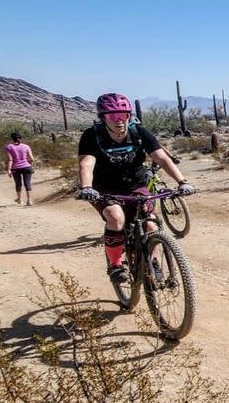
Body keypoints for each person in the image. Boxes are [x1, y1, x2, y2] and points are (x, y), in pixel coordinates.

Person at [76, 93, 195, 284]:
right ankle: (115, 264)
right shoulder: (92, 136)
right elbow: (86, 164)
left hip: (136, 185)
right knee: (116, 218)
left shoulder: (139, 132)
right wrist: (87, 187)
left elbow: (161, 158)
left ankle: (153, 261)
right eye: (112, 116)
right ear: (103, 117)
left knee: (150, 224)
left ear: (129, 116)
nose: (119, 121)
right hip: (105, 188)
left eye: (123, 115)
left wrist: (182, 181)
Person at [5, 133, 34, 205]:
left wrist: (9, 169)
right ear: (21, 138)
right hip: (27, 167)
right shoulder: (26, 146)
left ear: (12, 139)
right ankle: (29, 200)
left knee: (18, 183)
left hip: (15, 168)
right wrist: (30, 164)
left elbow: (10, 159)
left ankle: (19, 199)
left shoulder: (9, 147)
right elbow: (32, 159)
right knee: (27, 183)